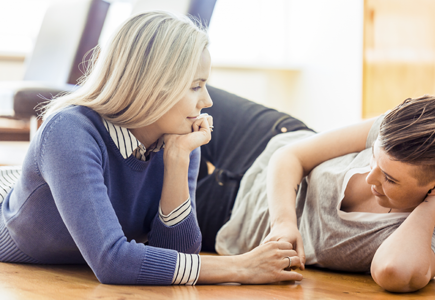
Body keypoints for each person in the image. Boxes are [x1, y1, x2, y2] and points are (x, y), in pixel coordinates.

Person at [0, 11, 302, 285]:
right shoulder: (68, 131)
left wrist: (178, 160)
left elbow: (177, 252)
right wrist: (240, 268)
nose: (207, 101)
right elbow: (112, 261)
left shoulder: (179, 141)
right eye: (195, 86)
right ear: (154, 84)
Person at [197, 89, 435, 292]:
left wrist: (433, 206)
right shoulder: (394, 133)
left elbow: (392, 272)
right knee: (172, 96)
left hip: (233, 215)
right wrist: (284, 222)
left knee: (156, 188)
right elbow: (291, 156)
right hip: (265, 141)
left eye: (389, 179)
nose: (371, 178)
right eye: (374, 157)